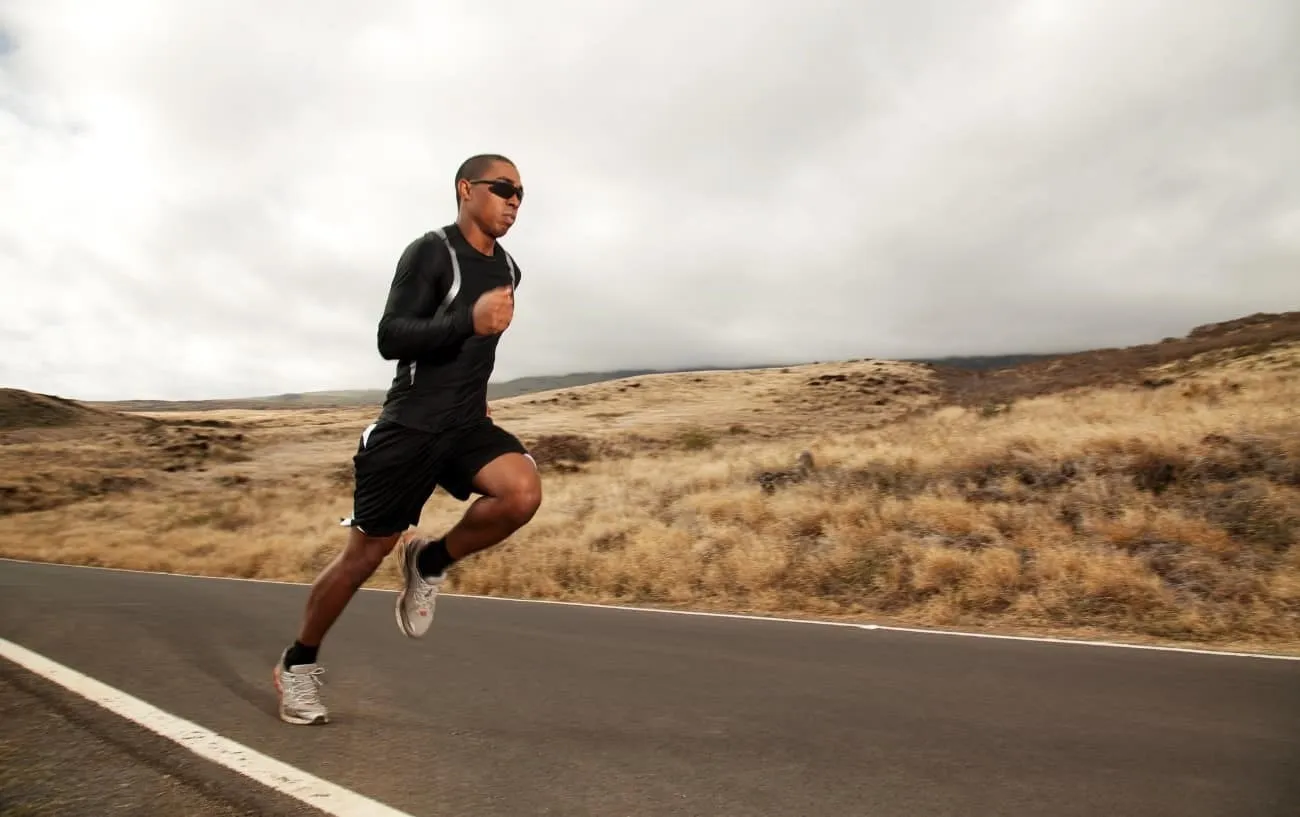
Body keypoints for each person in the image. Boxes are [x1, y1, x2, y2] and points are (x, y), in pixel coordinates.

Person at [273, 153, 543, 726]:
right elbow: (391, 336)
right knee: (363, 556)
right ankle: (298, 665)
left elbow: (482, 350)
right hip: (410, 426)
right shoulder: (431, 252)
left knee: (521, 493)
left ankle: (431, 560)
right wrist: (466, 320)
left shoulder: (511, 270)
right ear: (466, 189)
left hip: (466, 424)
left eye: (522, 193)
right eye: (503, 189)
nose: (515, 200)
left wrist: (478, 383)